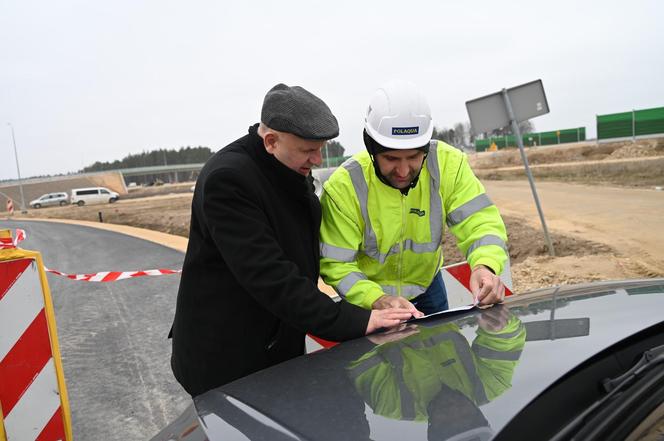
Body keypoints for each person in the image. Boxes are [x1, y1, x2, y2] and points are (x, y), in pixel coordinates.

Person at [169, 83, 415, 397]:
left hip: (276, 343)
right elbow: (270, 275)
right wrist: (353, 321)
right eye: (309, 150)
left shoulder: (286, 165)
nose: (317, 159)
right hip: (228, 358)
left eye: (321, 148)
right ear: (271, 141)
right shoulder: (228, 180)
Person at [319, 80, 509, 315]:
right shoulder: (344, 187)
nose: (402, 171)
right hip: (369, 303)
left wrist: (485, 265)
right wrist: (376, 298)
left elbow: (481, 224)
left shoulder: (448, 166)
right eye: (391, 159)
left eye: (413, 157)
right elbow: (336, 263)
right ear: (371, 148)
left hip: (428, 289)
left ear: (426, 149)